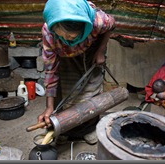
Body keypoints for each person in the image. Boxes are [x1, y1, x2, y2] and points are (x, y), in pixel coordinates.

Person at [37, 0, 115, 145]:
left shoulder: (97, 20)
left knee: (90, 92)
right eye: (63, 36)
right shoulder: (49, 33)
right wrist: (49, 107)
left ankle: (89, 129)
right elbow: (50, 70)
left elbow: (112, 25)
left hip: (90, 51)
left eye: (73, 37)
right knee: (65, 92)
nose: (68, 41)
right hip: (64, 55)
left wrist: (100, 51)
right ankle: (65, 128)